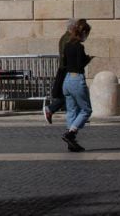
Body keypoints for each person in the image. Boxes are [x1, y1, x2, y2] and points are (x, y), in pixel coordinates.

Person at [61, 19, 94, 152]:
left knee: (71, 111)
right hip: (76, 79)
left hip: (67, 79)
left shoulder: (67, 45)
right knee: (86, 110)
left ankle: (71, 143)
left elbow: (65, 62)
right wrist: (87, 59)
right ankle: (71, 133)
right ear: (83, 32)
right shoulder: (79, 47)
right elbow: (80, 64)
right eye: (87, 34)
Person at [44, 19, 77, 124]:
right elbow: (69, 56)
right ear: (73, 28)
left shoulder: (65, 37)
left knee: (69, 94)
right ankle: (50, 109)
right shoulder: (69, 39)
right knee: (69, 94)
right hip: (67, 70)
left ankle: (72, 116)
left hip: (65, 69)